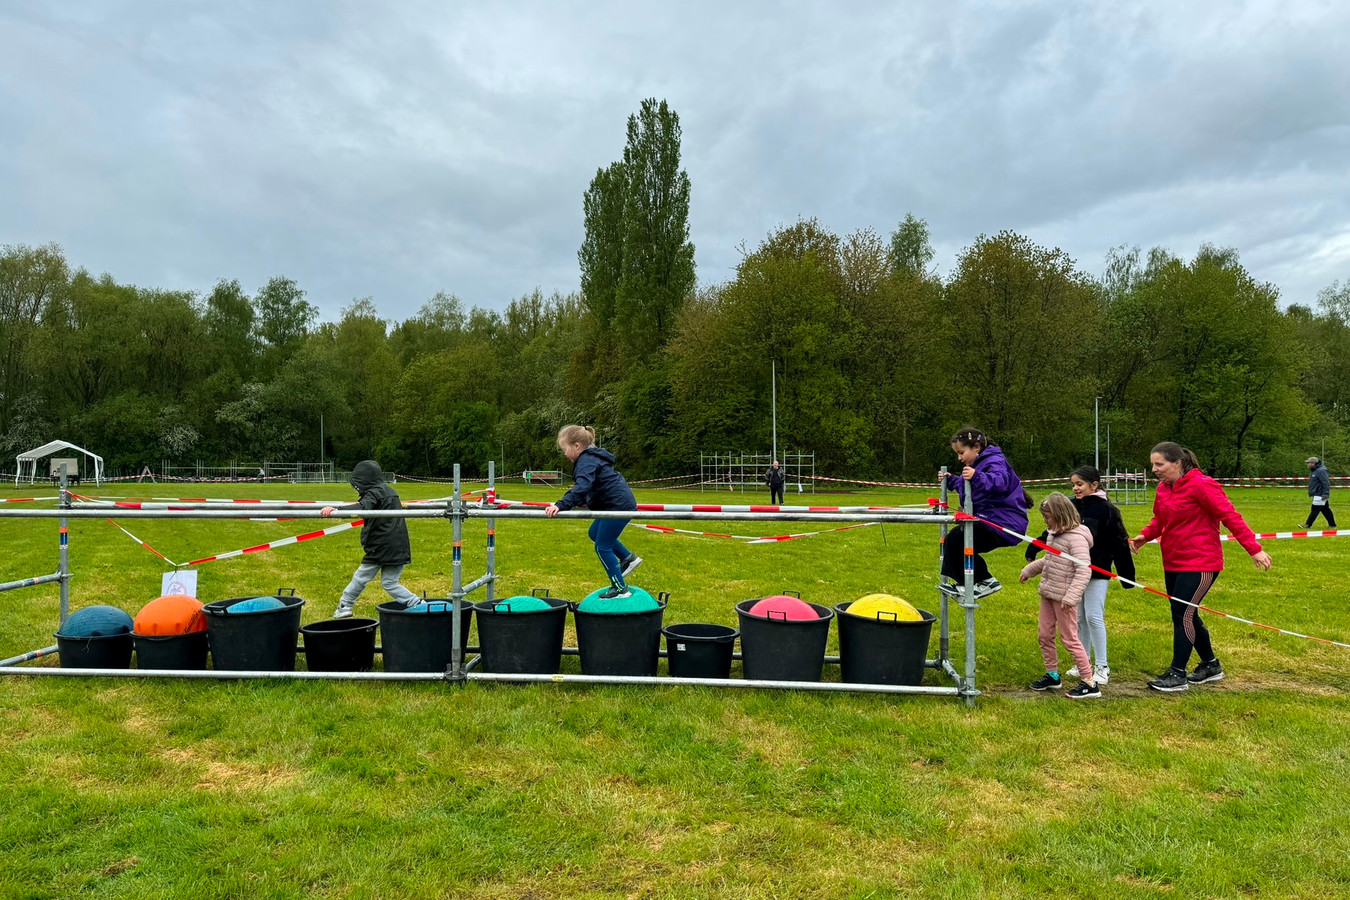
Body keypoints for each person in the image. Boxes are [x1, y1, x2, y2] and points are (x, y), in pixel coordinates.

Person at [1130, 442, 1272, 692]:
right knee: (1184, 613)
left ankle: (1177, 674)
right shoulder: (1164, 488)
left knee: (1182, 613)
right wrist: (1145, 536)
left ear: (1177, 463)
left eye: (1159, 464)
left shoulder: (1201, 485)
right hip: (1173, 560)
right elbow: (1160, 520)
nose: (1154, 469)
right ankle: (1211, 665)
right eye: (1153, 464)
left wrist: (1254, 549)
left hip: (1201, 562)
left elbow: (1230, 516)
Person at [1026, 465, 1135, 685]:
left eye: (1080, 484)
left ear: (1094, 485)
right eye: (1073, 484)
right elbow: (1053, 528)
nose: (1075, 488)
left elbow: (1119, 541)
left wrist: (1127, 576)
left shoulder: (1108, 510)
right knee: (1079, 619)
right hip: (1071, 573)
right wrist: (1034, 547)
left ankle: (1102, 666)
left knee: (1094, 616)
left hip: (1097, 570)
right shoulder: (1071, 506)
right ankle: (1082, 661)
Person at [545, 425, 641, 600]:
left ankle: (620, 588)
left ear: (577, 446)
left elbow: (583, 487)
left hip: (616, 506)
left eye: (565, 449)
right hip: (616, 503)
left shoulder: (586, 460)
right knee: (594, 533)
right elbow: (591, 489)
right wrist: (571, 503)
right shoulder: (592, 458)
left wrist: (562, 504)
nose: (565, 454)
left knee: (602, 546)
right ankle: (628, 558)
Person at [1020, 493, 1100, 699]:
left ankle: (1089, 682)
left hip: (1064, 599)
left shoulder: (1077, 539)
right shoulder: (1053, 534)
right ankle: (1053, 675)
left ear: (1060, 515)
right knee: (1044, 635)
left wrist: (1071, 597)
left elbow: (1084, 570)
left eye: (1048, 517)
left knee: (1069, 639)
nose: (1045, 521)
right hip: (1048, 592)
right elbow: (1049, 560)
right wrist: (1030, 570)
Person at [321, 459, 422, 618]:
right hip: (399, 546)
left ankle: (345, 605)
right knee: (390, 583)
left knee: (360, 577)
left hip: (381, 546)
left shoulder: (374, 493)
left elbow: (362, 508)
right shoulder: (389, 491)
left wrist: (336, 509)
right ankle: (417, 604)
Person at [941, 427, 1032, 599]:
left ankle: (985, 581)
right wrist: (952, 480)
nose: (959, 458)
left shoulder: (995, 460)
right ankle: (970, 584)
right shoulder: (979, 465)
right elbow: (971, 488)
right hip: (992, 519)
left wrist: (976, 476)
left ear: (976, 446)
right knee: (956, 540)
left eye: (961, 452)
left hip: (1004, 523)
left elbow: (999, 482)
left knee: (958, 538)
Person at [1303, 456, 1336, 529]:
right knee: (1326, 510)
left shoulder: (1320, 471)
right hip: (1318, 493)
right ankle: (1332, 524)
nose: (1307, 465)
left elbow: (1326, 483)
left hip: (1320, 494)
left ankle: (1307, 525)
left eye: (1308, 463)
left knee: (1315, 509)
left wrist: (1325, 494)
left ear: (1313, 463)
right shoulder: (1315, 471)